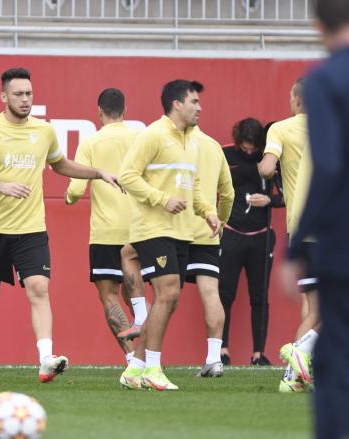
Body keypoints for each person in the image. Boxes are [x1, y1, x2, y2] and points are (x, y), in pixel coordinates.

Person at [0, 68, 122, 383]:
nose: (25, 100)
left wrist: (98, 172)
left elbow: (60, 164)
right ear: (3, 96)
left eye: (29, 94)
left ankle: (46, 359)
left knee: (39, 288)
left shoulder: (44, 130)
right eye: (18, 94)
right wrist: (1, 186)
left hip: (31, 229)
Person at [118, 80, 220, 391]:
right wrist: (162, 199)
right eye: (194, 101)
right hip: (153, 229)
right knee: (169, 293)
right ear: (177, 104)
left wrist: (208, 212)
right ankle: (152, 367)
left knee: (168, 299)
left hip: (183, 231)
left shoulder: (192, 141)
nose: (199, 107)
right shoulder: (153, 134)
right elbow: (126, 176)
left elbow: (196, 186)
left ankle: (134, 368)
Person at [282, 1, 349, 435]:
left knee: (334, 355)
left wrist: (295, 246)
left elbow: (328, 166)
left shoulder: (325, 80)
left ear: (316, 23)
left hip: (341, 241)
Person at [64, 88, 148, 365]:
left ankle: (133, 360)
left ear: (99, 112)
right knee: (136, 295)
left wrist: (69, 197)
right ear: (125, 111)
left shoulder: (91, 142)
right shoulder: (140, 137)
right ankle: (151, 357)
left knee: (109, 295)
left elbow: (75, 189)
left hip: (106, 232)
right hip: (138, 230)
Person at [258, 78, 320, 392]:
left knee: (314, 306)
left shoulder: (280, 129)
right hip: (333, 229)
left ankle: (292, 376)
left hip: (303, 228)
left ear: (295, 98)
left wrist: (270, 167)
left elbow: (267, 168)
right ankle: (299, 354)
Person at [219, 118, 284, 366]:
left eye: (252, 149)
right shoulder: (226, 154)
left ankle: (259, 354)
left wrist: (269, 201)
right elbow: (218, 183)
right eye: (244, 148)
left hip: (261, 237)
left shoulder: (270, 159)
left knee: (260, 296)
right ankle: (222, 350)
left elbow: (286, 194)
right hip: (231, 232)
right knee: (224, 294)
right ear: (238, 142)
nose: (248, 152)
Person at [184, 126, 234, 377]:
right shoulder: (213, 146)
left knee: (163, 295)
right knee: (210, 292)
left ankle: (148, 361)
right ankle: (214, 359)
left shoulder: (168, 139)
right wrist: (220, 223)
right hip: (207, 231)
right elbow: (228, 194)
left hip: (173, 229)